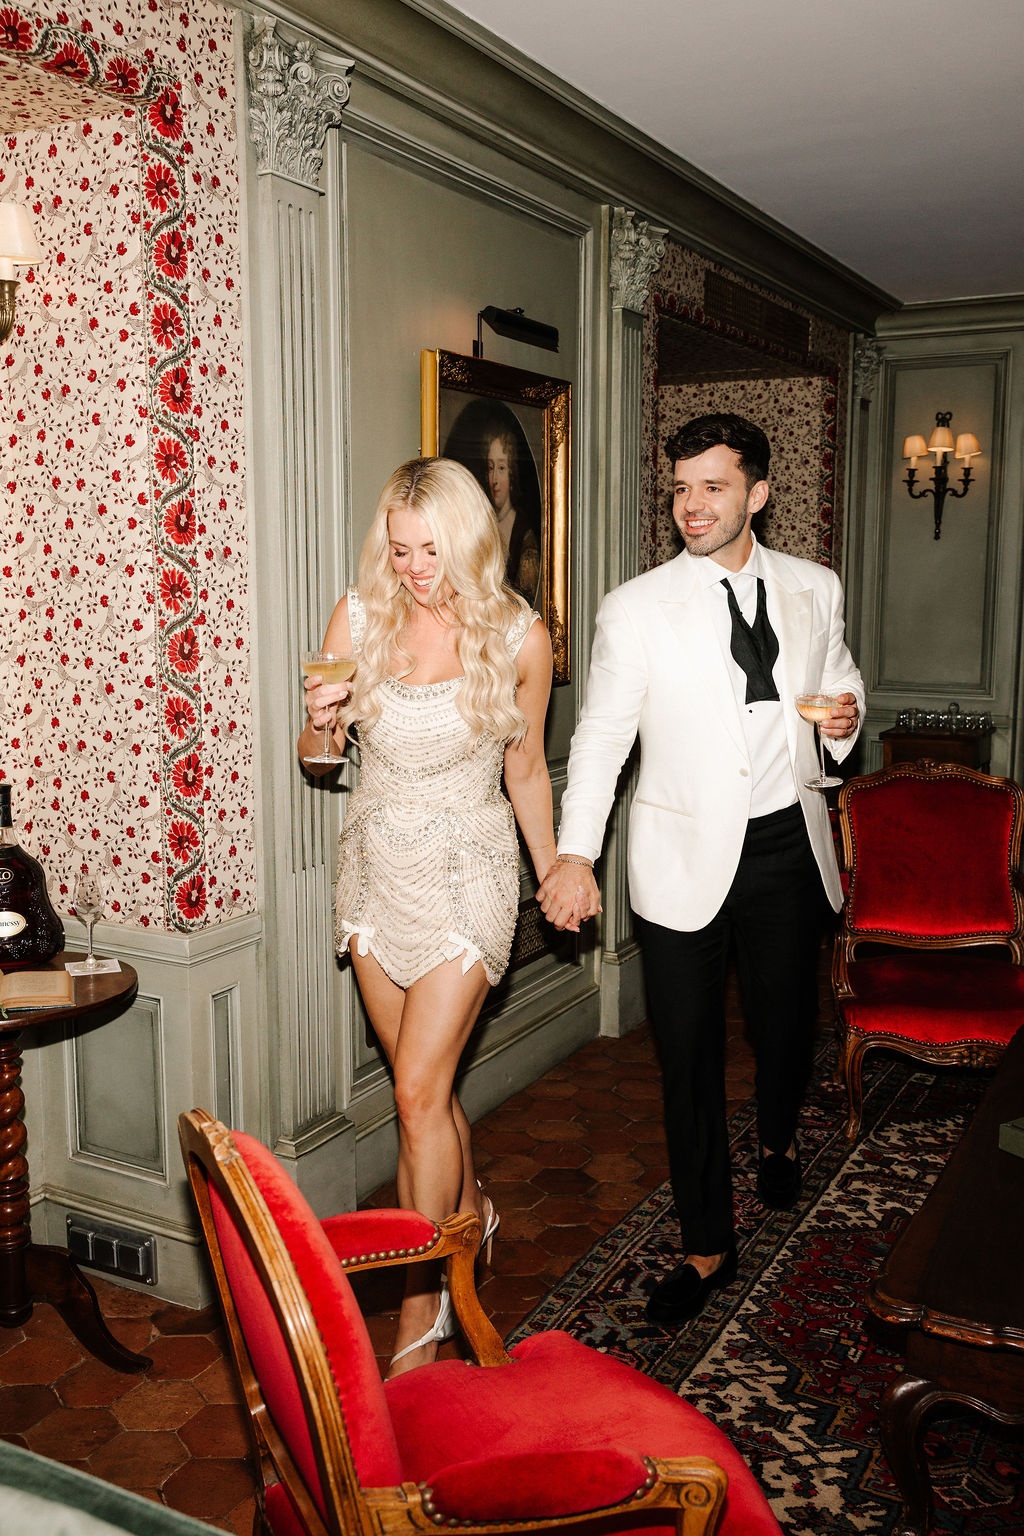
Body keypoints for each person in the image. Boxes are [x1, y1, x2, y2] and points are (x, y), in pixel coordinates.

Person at [537, 413, 864, 1328]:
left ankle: (777, 1137)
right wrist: (574, 853)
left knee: (784, 1026)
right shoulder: (636, 607)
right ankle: (707, 1245)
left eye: (714, 488)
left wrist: (844, 715)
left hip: (787, 845)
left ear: (757, 493)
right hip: (679, 853)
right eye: (681, 488)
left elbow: (841, 676)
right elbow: (601, 738)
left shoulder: (813, 587)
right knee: (686, 1055)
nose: (692, 505)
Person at [298, 457, 572, 1375]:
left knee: (414, 1094)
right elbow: (319, 759)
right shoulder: (360, 616)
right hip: (375, 870)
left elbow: (525, 769)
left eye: (432, 549)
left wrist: (557, 869)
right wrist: (321, 719)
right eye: (401, 547)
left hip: (470, 869)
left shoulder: (519, 635)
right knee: (432, 1094)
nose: (415, 567)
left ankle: (420, 1321)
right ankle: (472, 1215)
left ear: (469, 541)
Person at [485, 425, 541, 604]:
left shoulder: (525, 535)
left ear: (512, 472)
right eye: (490, 467)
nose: (494, 479)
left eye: (501, 468)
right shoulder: (482, 524)